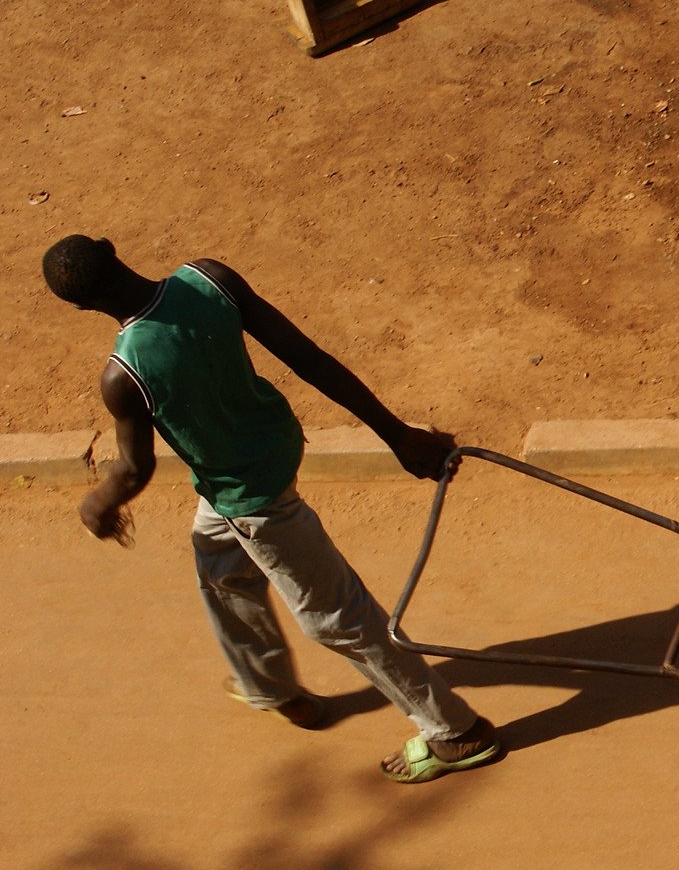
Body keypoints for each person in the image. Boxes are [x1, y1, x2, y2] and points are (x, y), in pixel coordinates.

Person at [41, 234, 501, 783]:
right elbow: (308, 358)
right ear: (112, 249)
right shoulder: (209, 280)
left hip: (251, 500)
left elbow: (134, 469)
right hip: (271, 449)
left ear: (81, 307)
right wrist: (395, 433)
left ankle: (455, 731)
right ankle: (270, 687)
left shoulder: (123, 375)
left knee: (337, 620)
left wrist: (98, 504)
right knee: (221, 570)